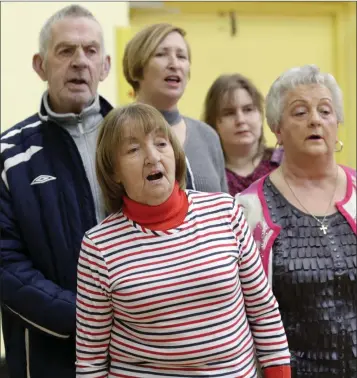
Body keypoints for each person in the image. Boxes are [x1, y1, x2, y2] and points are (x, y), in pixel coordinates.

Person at [75, 102, 291, 378]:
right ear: (113, 171)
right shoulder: (99, 247)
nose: (152, 157)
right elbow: (90, 359)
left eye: (161, 143)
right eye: (133, 149)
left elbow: (264, 313)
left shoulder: (225, 212)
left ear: (175, 154)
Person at [0, 5, 112, 377]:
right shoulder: (9, 155)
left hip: (141, 352)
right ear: (40, 65)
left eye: (90, 51)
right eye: (66, 51)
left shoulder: (145, 141)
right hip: (48, 359)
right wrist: (84, 315)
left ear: (105, 66)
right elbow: (6, 265)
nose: (80, 62)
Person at [237, 65, 357, 377]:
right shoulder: (248, 210)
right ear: (277, 128)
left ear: (337, 123)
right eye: (300, 112)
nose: (315, 120)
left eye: (325, 111)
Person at [123, 23, 228, 193]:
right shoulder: (117, 133)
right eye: (161, 54)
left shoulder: (207, 136)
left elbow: (225, 208)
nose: (174, 64)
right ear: (138, 66)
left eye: (181, 56)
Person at [203, 73, 283, 196]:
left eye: (248, 109)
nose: (240, 120)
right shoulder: (208, 176)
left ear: (261, 115)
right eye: (229, 113)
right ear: (213, 123)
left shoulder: (284, 163)